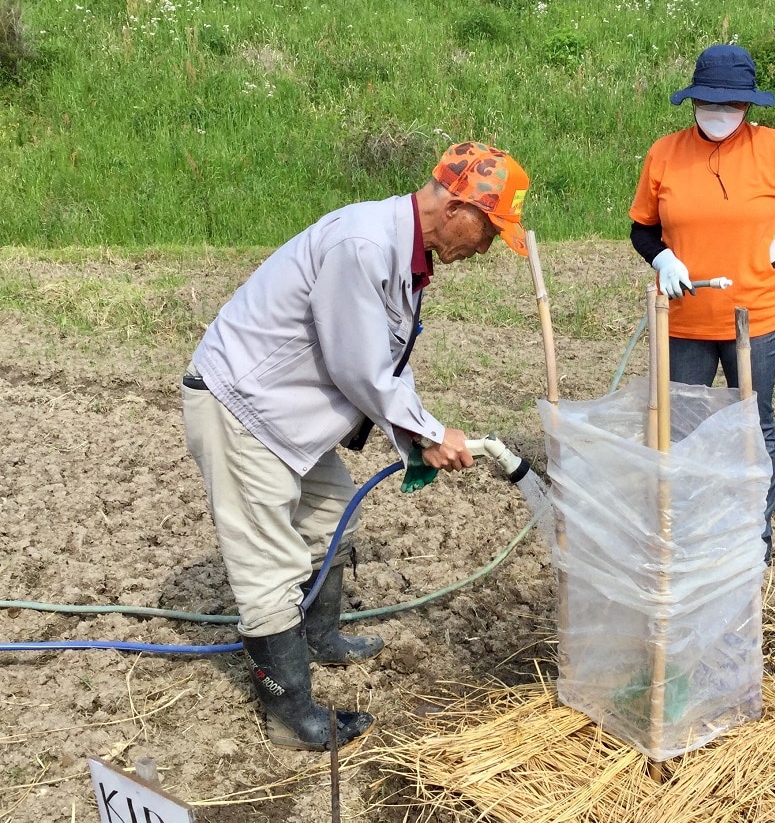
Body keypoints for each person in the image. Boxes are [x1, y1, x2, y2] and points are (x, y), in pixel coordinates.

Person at [183, 141, 531, 751]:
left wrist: (415, 434)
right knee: (269, 563)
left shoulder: (406, 254)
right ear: (456, 207)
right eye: (487, 230)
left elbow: (389, 360)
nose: (482, 249)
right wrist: (427, 431)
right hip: (243, 408)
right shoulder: (364, 246)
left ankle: (321, 637)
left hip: (287, 413)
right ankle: (292, 718)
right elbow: (359, 365)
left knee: (332, 510)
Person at [629, 45, 775, 564]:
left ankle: (751, 546)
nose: (718, 114)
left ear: (747, 106)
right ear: (692, 102)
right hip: (685, 319)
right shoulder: (664, 153)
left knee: (752, 425)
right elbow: (641, 229)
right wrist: (664, 259)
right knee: (681, 427)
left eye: (729, 105)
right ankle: (683, 537)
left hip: (752, 317)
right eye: (708, 104)